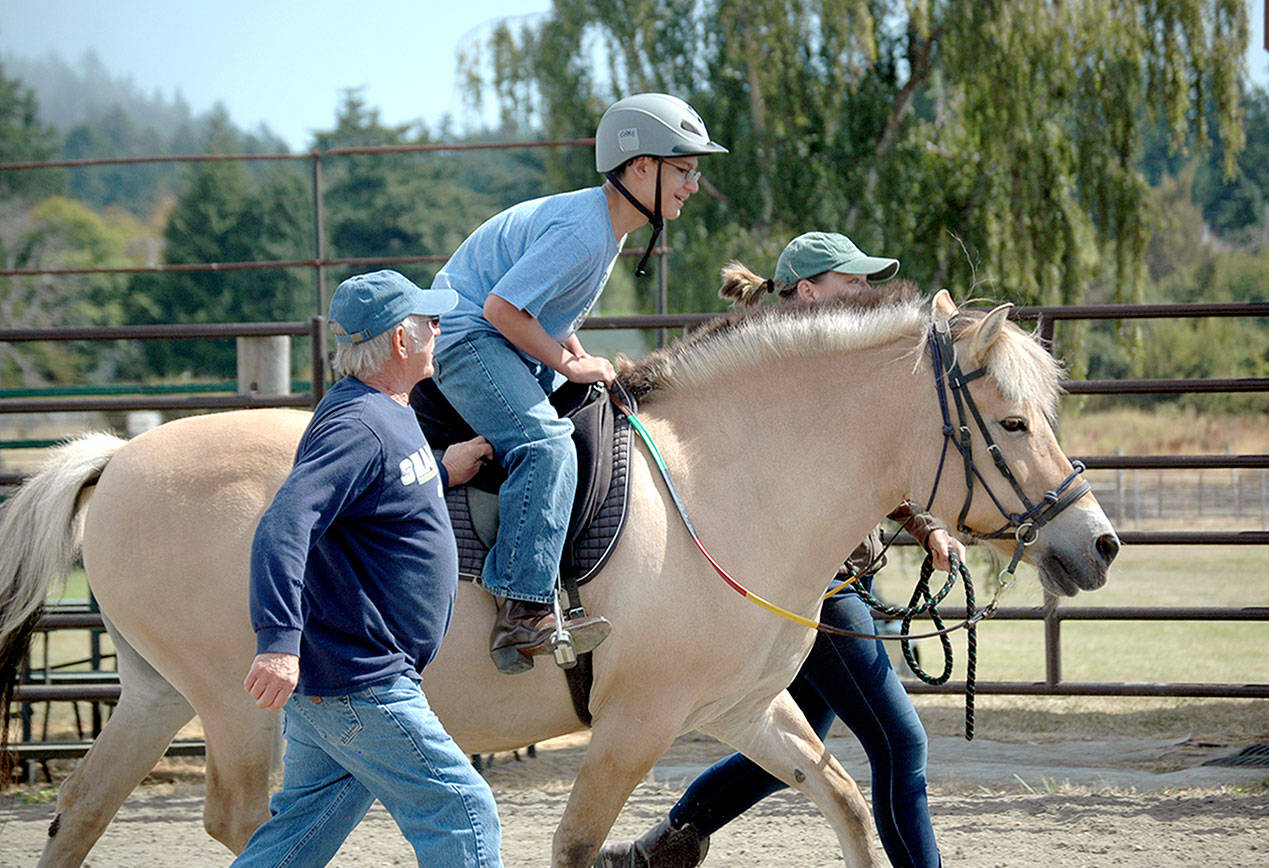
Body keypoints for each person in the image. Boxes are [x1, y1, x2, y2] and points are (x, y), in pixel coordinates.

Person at [597, 232, 965, 868]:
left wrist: (926, 524)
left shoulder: (831, 380)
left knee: (799, 745)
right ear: (807, 291)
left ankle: (664, 845)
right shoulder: (779, 386)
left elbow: (875, 465)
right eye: (851, 282)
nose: (866, 293)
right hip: (809, 590)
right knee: (899, 745)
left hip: (836, 578)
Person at [427, 92, 728, 674]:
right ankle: (522, 610)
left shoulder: (606, 227)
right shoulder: (586, 232)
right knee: (546, 444)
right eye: (685, 170)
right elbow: (500, 310)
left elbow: (544, 315)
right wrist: (569, 367)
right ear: (641, 166)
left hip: (500, 337)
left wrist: (578, 354)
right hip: (468, 339)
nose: (692, 185)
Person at [236, 269, 502, 867]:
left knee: (300, 834)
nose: (439, 329)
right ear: (401, 342)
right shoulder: (359, 425)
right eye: (430, 322)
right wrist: (278, 641)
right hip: (362, 680)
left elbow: (375, 488)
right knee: (462, 810)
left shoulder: (380, 409)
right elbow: (284, 525)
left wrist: (439, 467)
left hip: (343, 678)